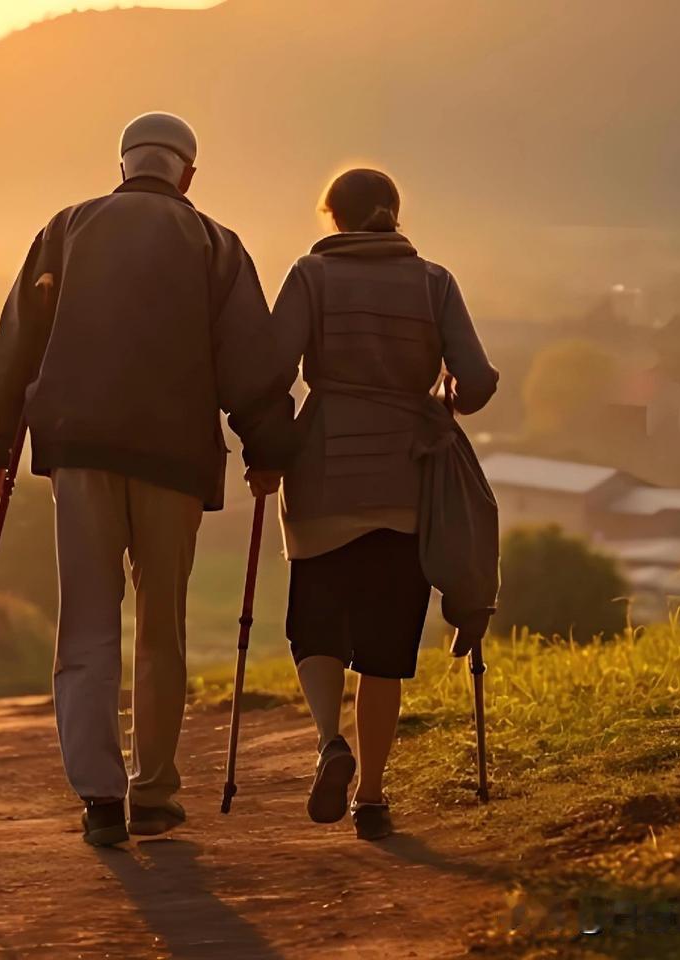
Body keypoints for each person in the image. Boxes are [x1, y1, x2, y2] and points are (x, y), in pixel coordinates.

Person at [0, 112, 297, 846]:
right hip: (174, 463)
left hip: (79, 454)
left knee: (86, 623)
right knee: (161, 629)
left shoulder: (66, 230)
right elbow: (252, 364)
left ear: (122, 165)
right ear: (187, 173)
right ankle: (153, 791)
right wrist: (268, 449)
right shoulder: (217, 245)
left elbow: (16, 345)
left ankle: (99, 799)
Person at [269, 168, 499, 840]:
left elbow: (272, 370)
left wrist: (267, 444)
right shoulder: (434, 282)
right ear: (395, 214)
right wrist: (449, 391)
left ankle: (327, 742)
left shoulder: (310, 278)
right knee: (382, 649)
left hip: (324, 474)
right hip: (406, 481)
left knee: (314, 626)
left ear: (330, 216)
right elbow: (477, 381)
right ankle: (370, 795)